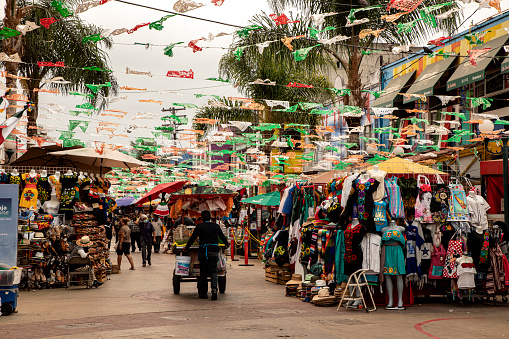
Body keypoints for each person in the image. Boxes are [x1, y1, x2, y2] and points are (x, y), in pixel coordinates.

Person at [185, 210, 228, 300]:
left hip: (203, 252)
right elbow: (222, 237)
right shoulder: (216, 226)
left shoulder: (199, 226)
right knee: (213, 271)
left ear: (201, 218)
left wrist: (187, 247)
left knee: (203, 272)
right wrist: (226, 244)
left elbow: (193, 238)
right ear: (210, 217)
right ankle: (214, 290)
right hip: (214, 251)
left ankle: (204, 293)